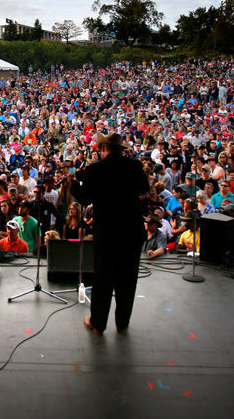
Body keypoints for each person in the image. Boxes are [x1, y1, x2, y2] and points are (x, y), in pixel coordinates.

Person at [71, 133, 149, 335]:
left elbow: (84, 197)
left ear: (103, 148)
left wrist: (72, 183)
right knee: (128, 279)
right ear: (121, 148)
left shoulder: (96, 169)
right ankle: (122, 323)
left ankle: (98, 323)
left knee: (103, 278)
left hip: (107, 231)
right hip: (132, 229)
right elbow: (144, 189)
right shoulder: (135, 166)